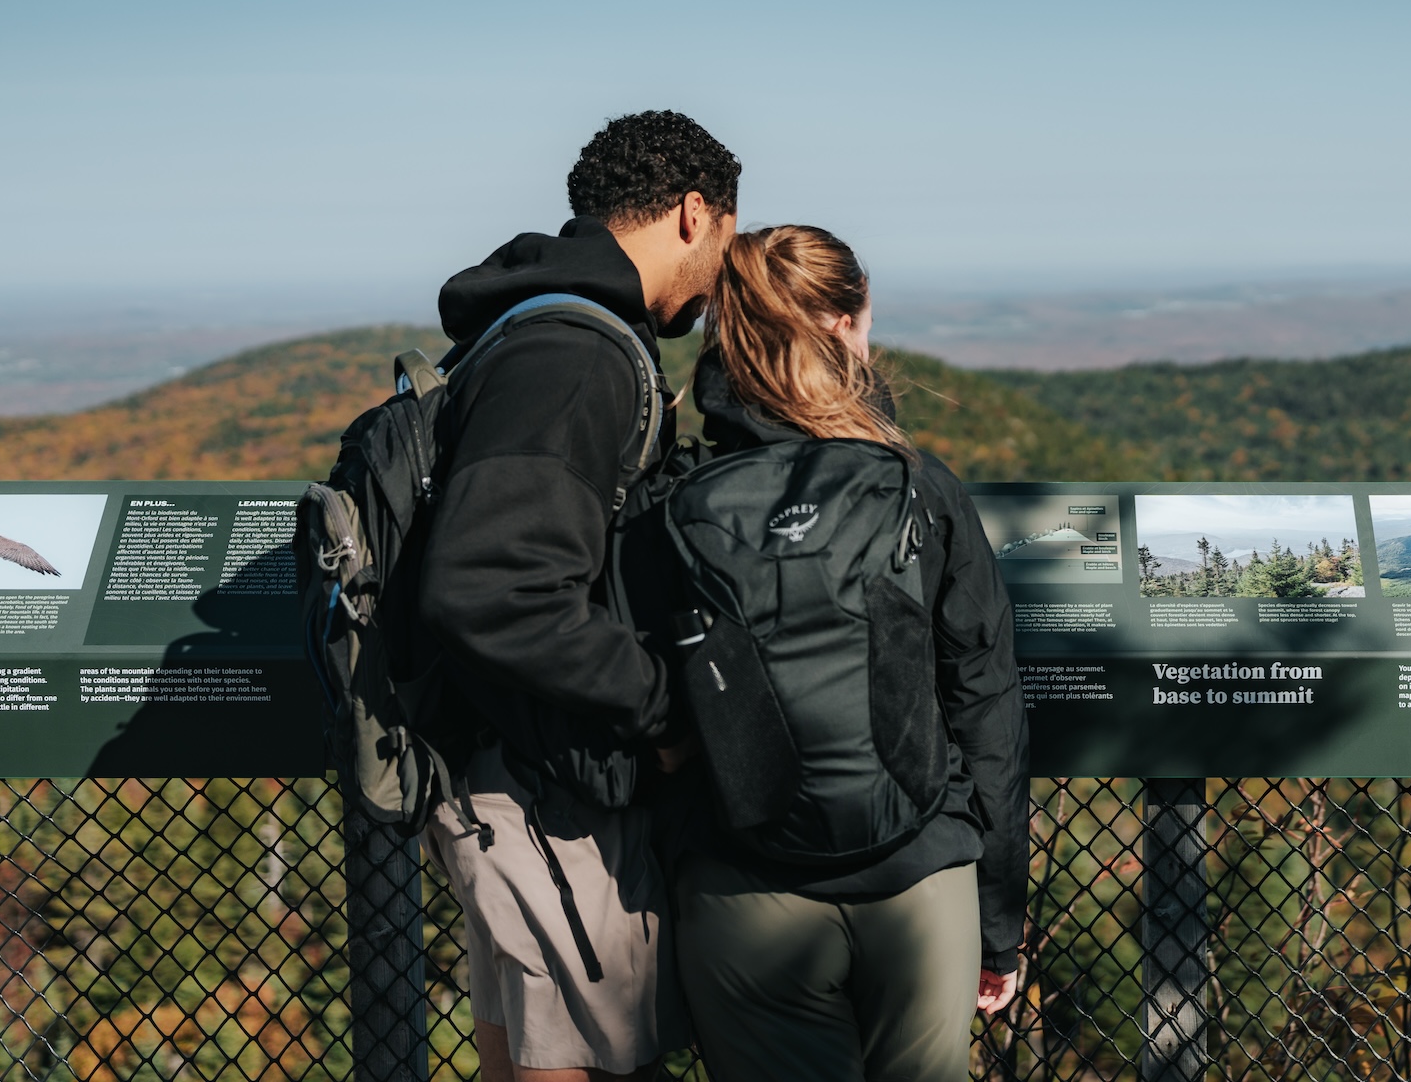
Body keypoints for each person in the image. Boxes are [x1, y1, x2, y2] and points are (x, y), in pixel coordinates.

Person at [417, 111, 740, 1082]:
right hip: (545, 791)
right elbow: (494, 584)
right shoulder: (579, 357)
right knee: (589, 1061)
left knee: (526, 1055)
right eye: (727, 234)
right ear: (694, 214)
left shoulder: (532, 328)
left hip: (506, 769)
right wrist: (662, 707)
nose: (724, 266)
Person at [668, 225, 1030, 1082]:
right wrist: (998, 922)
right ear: (842, 327)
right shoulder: (917, 487)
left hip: (741, 887)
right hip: (920, 880)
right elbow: (987, 705)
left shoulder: (675, 501)